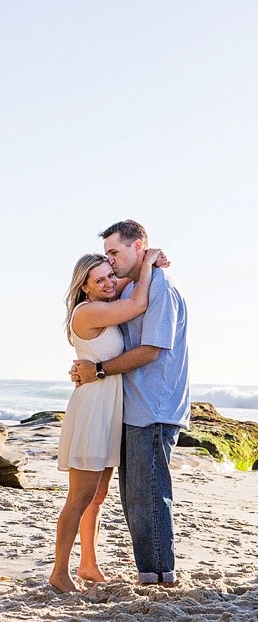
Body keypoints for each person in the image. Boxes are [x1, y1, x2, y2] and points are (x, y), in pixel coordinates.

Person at [70, 220, 189, 586]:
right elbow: (105, 302)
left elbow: (152, 351)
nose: (111, 261)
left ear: (138, 246)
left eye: (115, 252)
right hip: (129, 408)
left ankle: (159, 577)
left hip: (154, 407)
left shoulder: (159, 290)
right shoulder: (131, 287)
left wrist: (99, 370)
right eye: (107, 254)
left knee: (149, 496)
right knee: (133, 498)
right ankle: (149, 573)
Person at [49, 246, 164, 593]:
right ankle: (59, 573)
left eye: (111, 275)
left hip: (107, 409)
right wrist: (147, 265)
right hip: (92, 412)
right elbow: (137, 305)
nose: (109, 282)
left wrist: (146, 262)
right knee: (79, 497)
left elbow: (126, 288)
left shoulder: (102, 304)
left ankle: (88, 565)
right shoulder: (87, 312)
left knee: (96, 498)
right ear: (84, 287)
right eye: (100, 279)